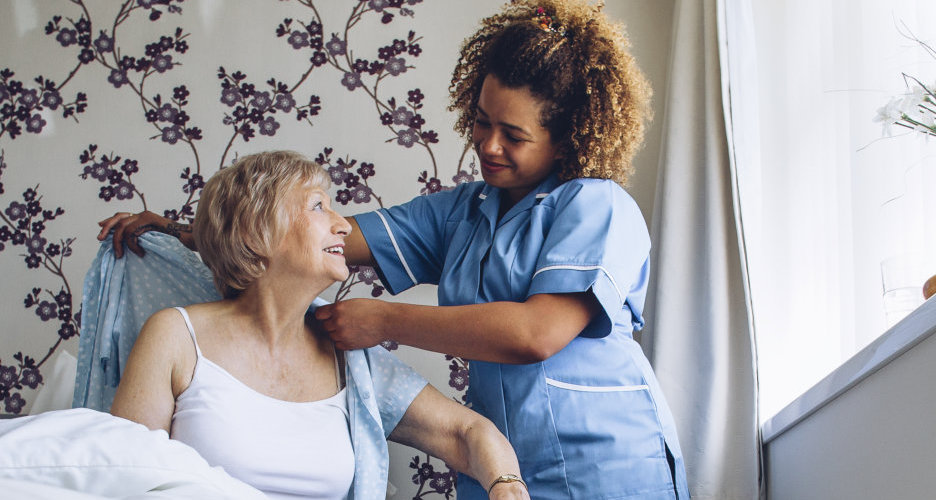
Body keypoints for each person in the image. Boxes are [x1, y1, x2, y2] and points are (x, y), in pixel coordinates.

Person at [99, 2, 686, 498]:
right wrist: (186, 230)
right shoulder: (464, 211)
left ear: (568, 137)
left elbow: (536, 334)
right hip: (508, 466)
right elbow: (303, 235)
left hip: (607, 463)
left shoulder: (597, 206)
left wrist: (382, 320)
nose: (488, 144)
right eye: (482, 123)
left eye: (514, 135)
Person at [99, 151, 529, 500]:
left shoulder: (350, 358)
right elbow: (124, 479)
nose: (343, 224)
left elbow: (466, 431)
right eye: (319, 206)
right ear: (257, 232)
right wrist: (180, 230)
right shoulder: (175, 336)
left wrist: (506, 485)